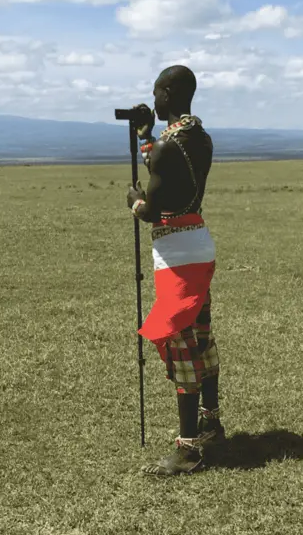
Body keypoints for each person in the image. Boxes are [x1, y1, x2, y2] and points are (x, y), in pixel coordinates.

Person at [126, 65, 225, 476]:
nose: (153, 98)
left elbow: (153, 208)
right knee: (201, 335)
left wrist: (132, 199)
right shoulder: (200, 138)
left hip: (177, 256)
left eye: (156, 92)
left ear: (169, 93)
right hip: (198, 245)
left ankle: (187, 451)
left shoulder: (170, 146)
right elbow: (169, 169)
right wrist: (147, 136)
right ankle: (211, 421)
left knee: (181, 343)